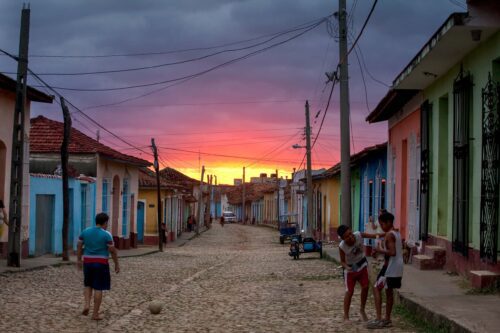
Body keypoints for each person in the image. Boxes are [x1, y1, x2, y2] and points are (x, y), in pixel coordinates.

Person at [337, 224, 384, 323]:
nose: (350, 237)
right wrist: (347, 267)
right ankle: (346, 316)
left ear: (351, 231)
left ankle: (362, 310)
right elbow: (342, 261)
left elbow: (372, 235)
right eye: (346, 237)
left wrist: (385, 234)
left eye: (350, 234)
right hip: (350, 270)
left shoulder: (358, 235)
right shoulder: (342, 246)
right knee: (349, 292)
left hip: (362, 265)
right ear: (342, 239)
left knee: (366, 287)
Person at [77, 213, 119, 321]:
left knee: (88, 284)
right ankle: (95, 314)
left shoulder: (85, 231)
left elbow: (79, 244)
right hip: (101, 263)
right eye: (107, 223)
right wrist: (116, 264)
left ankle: (87, 305)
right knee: (98, 288)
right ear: (105, 222)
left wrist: (78, 259)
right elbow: (112, 251)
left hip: (87, 262)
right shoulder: (106, 235)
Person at [367, 211, 404, 329]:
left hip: (390, 267)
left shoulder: (389, 235)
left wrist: (379, 250)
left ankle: (379, 318)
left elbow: (392, 252)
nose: (381, 227)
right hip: (396, 266)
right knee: (389, 292)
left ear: (388, 222)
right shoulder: (396, 233)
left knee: (376, 288)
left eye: (382, 224)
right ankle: (387, 318)